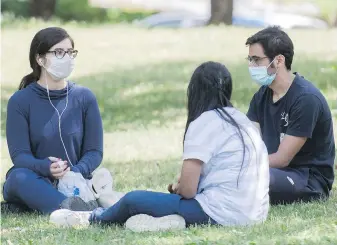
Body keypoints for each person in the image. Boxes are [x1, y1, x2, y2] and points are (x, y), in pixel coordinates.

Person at [49, 61, 270, 232]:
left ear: (194, 92)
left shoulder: (204, 122)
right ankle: (166, 219)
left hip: (224, 214)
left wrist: (179, 188)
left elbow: (188, 191)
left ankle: (90, 217)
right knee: (151, 201)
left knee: (134, 199)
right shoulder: (240, 119)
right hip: (256, 213)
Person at [2, 27, 111, 214]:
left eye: (70, 52)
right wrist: (46, 167)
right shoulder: (20, 101)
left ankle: (56, 206)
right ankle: (76, 208)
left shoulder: (84, 97)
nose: (67, 58)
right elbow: (20, 156)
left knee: (102, 177)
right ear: (40, 59)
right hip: (35, 177)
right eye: (59, 52)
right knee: (17, 178)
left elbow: (94, 151)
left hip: (75, 181)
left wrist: (75, 172)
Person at [245, 26, 335, 205]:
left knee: (249, 179)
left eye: (256, 60)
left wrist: (239, 166)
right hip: (271, 170)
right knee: (237, 177)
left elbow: (282, 159)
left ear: (278, 60)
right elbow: (250, 144)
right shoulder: (261, 96)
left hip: (307, 179)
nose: (251, 66)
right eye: (249, 59)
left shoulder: (306, 98)